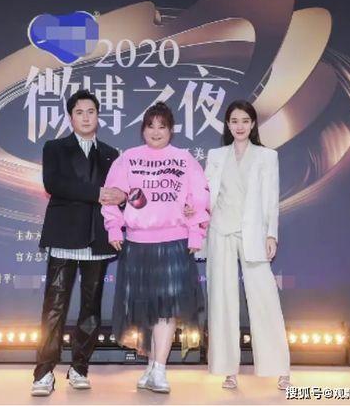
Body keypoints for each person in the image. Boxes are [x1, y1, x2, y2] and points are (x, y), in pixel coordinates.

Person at [101, 102, 209, 394]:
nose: (156, 131)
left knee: (166, 308)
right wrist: (114, 227)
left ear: (171, 130)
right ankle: (151, 366)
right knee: (146, 309)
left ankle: (160, 369)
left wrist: (195, 233)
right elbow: (110, 196)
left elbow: (199, 199)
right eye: (151, 126)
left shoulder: (184, 159)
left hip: (173, 244)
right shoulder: (128, 159)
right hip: (138, 244)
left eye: (162, 126)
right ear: (143, 129)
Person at [31, 90, 126, 397]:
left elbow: (120, 191)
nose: (86, 117)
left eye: (91, 112)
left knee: (91, 308)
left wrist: (122, 196)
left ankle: (80, 368)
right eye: (79, 112)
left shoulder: (111, 153)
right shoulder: (55, 148)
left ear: (98, 116)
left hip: (97, 239)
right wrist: (97, 193)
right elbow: (54, 184)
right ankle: (44, 372)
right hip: (64, 236)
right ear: (70, 117)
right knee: (54, 307)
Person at [204, 100, 290, 390]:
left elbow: (271, 199)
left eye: (245, 121)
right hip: (220, 231)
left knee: (265, 299)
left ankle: (281, 369)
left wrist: (271, 235)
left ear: (253, 124)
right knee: (222, 302)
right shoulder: (216, 156)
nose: (239, 126)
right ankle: (228, 370)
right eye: (234, 121)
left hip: (253, 234)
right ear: (227, 125)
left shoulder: (267, 156)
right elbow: (206, 195)